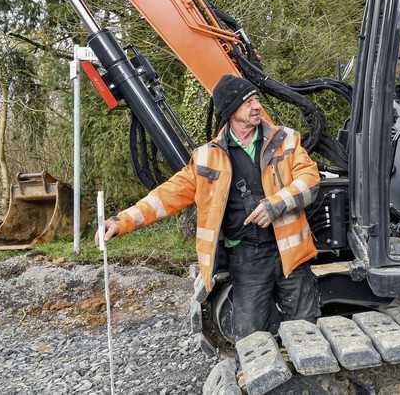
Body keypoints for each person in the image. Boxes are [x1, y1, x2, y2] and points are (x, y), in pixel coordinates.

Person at [96, 75, 322, 340]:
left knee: (307, 330)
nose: (257, 106)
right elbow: (165, 197)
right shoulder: (206, 157)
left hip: (291, 253)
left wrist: (276, 204)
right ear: (229, 111)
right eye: (247, 102)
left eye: (256, 99)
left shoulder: (286, 140)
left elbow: (310, 180)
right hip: (247, 258)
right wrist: (121, 221)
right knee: (251, 336)